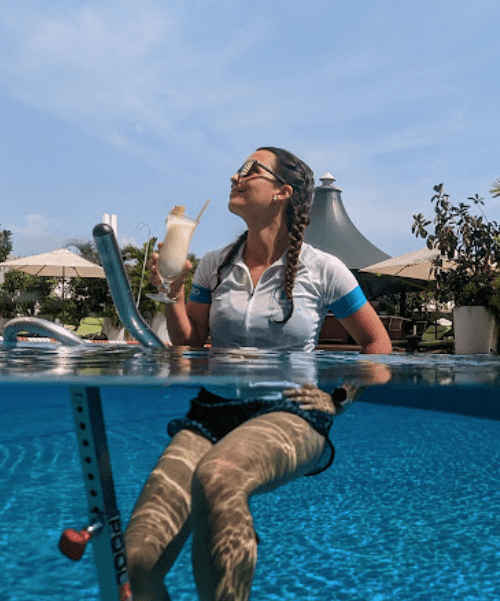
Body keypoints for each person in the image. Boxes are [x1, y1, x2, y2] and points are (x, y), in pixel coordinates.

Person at [125, 147, 392, 601]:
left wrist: (338, 399)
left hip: (291, 413)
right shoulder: (214, 264)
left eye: (250, 170)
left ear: (282, 192)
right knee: (140, 558)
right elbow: (189, 342)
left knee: (219, 475)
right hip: (213, 411)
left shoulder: (326, 269)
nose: (236, 175)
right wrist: (172, 293)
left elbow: (378, 345)